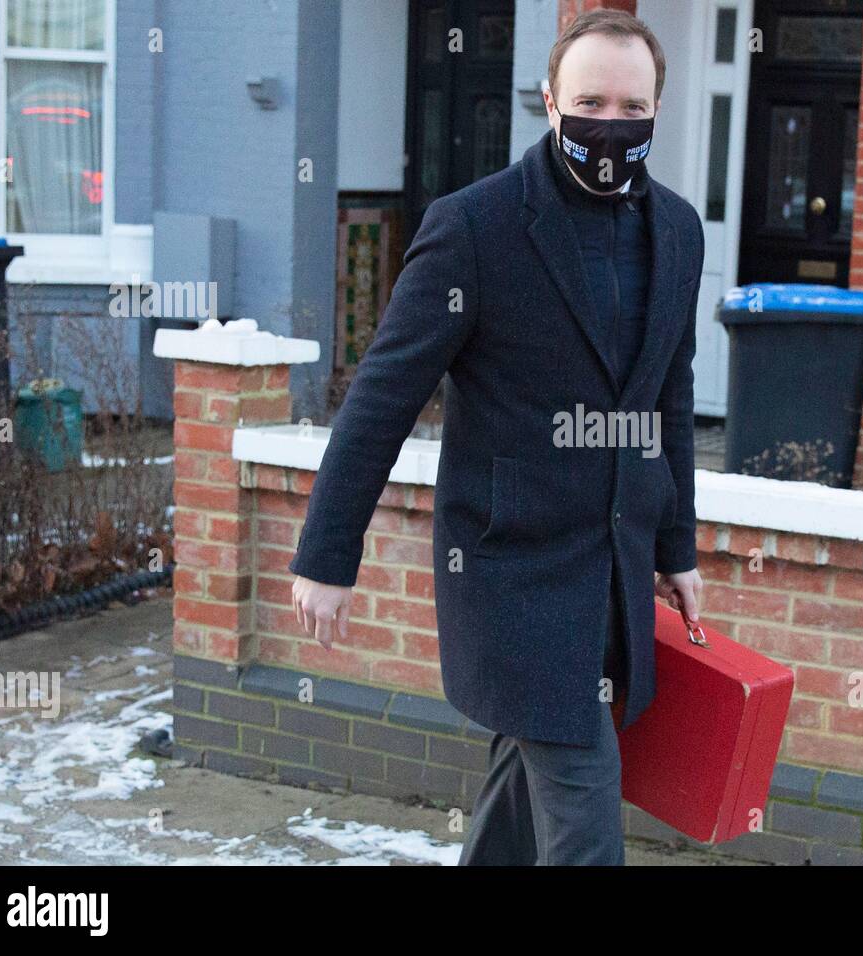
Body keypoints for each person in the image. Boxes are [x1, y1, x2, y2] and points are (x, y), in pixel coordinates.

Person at [288, 9, 703, 866]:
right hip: (509, 577)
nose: (611, 124)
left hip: (613, 576)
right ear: (549, 101)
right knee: (586, 831)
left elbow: (670, 394)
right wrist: (327, 554)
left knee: (517, 807)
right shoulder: (474, 228)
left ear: (658, 110)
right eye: (592, 101)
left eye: (633, 108)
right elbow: (381, 398)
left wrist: (676, 544)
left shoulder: (679, 231)